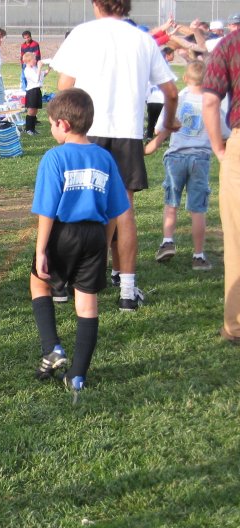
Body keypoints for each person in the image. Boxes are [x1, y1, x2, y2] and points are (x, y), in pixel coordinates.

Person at [53, 0, 179, 312]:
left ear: (96, 4)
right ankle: (127, 290)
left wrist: (60, 125)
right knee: (123, 212)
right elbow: (171, 92)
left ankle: (74, 280)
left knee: (80, 205)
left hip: (86, 129)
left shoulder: (82, 33)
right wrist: (167, 123)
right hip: (127, 133)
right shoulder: (142, 39)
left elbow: (64, 86)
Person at [31, 89, 129, 398]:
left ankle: (52, 348)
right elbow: (115, 210)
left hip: (63, 232)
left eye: (51, 124)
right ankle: (77, 376)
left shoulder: (55, 157)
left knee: (39, 283)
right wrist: (105, 244)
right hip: (95, 235)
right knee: (87, 303)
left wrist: (41, 250)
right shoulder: (105, 158)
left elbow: (47, 210)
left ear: (62, 124)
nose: (51, 129)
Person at [145, 61, 230, 271]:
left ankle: (167, 241)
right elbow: (224, 133)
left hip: (175, 157)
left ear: (185, 78)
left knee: (171, 202)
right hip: (200, 158)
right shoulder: (212, 102)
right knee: (198, 208)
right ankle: (198, 255)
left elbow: (159, 129)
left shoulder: (178, 99)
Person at [203, 24, 240, 344]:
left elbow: (210, 102)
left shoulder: (229, 44)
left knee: (237, 241)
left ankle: (236, 326)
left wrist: (219, 149)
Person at [145, 47, 175, 141]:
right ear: (167, 55)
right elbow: (171, 82)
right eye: (172, 54)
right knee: (160, 119)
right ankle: (161, 137)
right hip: (161, 99)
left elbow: (147, 84)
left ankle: (149, 136)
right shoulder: (165, 68)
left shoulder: (151, 67)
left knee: (151, 119)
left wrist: (146, 98)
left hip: (151, 99)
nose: (173, 56)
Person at [22, 51, 49, 135]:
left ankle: (33, 129)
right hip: (31, 91)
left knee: (35, 110)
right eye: (34, 59)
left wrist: (49, 68)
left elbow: (42, 74)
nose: (35, 60)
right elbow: (36, 79)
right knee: (31, 110)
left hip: (37, 90)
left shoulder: (34, 68)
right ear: (29, 61)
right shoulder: (27, 70)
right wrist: (39, 67)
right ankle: (28, 129)